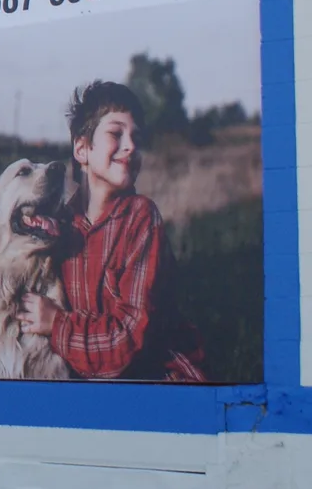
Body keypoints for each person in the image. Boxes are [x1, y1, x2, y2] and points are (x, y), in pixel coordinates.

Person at [17, 80, 206, 381]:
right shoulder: (61, 226)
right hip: (94, 383)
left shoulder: (140, 220)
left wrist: (57, 325)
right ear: (82, 149)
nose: (131, 146)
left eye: (136, 138)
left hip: (154, 380)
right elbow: (11, 273)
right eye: (116, 134)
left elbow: (130, 341)